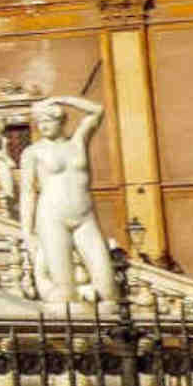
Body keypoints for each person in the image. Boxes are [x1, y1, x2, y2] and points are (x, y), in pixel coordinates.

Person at [19, 95, 118, 310]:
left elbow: (97, 110)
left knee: (108, 291)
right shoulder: (33, 152)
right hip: (52, 218)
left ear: (61, 121)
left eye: (48, 120)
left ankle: (109, 337)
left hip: (85, 216)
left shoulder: (78, 142)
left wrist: (60, 99)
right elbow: (27, 193)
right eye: (40, 122)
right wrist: (26, 232)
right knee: (65, 294)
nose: (43, 126)